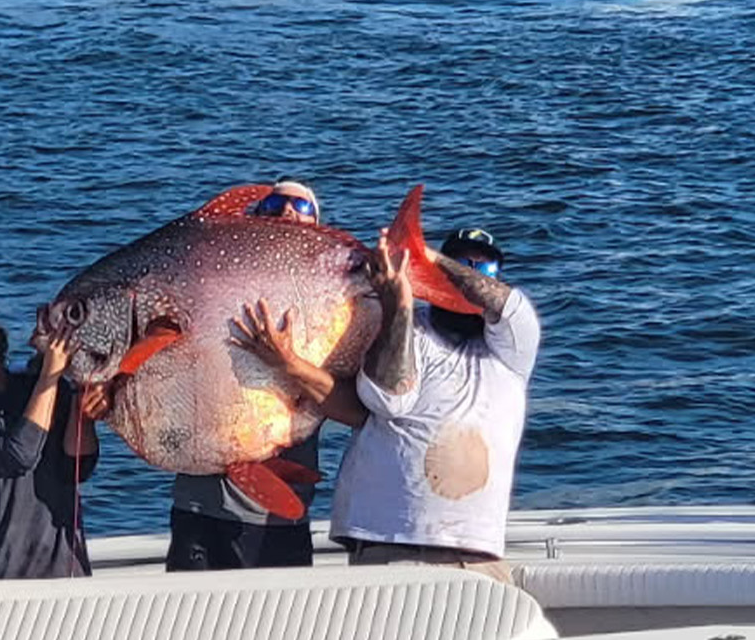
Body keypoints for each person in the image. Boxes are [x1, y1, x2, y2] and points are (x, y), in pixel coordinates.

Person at [237, 225, 539, 583]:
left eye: (484, 268)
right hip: (385, 544)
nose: (472, 276)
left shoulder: (512, 350)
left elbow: (508, 306)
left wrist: (425, 257)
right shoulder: (404, 327)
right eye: (462, 263)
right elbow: (388, 398)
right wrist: (400, 306)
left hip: (475, 552)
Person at [166, 179, 327, 571]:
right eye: (274, 203)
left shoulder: (331, 309)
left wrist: (287, 362)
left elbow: (348, 400)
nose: (288, 212)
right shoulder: (211, 290)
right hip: (200, 502)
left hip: (276, 508)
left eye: (301, 207)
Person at [0, 302, 102, 580]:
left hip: (62, 563)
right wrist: (49, 376)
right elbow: (18, 457)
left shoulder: (40, 387)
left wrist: (78, 398)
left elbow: (77, 467)